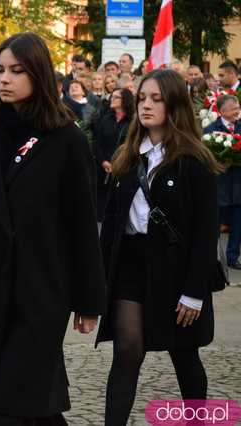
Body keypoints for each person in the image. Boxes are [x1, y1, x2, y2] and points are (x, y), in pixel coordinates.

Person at [0, 32, 105, 425]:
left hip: (44, 290)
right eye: (1, 71)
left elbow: (82, 224)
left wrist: (89, 298)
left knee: (9, 401)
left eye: (17, 70)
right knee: (33, 404)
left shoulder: (67, 141)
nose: (4, 79)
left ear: (39, 74)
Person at [97, 69, 223, 425]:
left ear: (175, 105)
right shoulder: (129, 154)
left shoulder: (193, 160)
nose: (146, 105)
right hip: (130, 266)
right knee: (127, 351)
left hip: (176, 269)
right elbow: (112, 222)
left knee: (184, 356)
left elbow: (205, 233)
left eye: (156, 99)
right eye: (142, 98)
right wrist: (96, 279)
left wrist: (194, 292)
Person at [204, 95, 241, 269]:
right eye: (233, 108)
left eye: (238, 107)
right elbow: (204, 156)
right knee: (214, 223)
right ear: (222, 111)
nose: (237, 111)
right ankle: (212, 258)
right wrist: (217, 162)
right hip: (220, 184)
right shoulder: (211, 130)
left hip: (239, 183)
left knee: (238, 222)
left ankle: (233, 257)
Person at [94, 88, 135, 221]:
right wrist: (103, 161)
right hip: (104, 169)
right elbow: (97, 143)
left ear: (125, 101)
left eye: (116, 97)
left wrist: (119, 163)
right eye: (112, 96)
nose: (112, 98)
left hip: (123, 168)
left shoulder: (133, 122)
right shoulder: (106, 119)